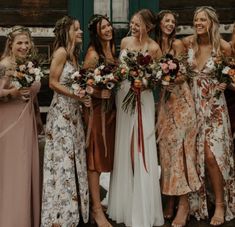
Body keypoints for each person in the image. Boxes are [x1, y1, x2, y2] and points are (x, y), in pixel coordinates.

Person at [107, 9, 164, 227]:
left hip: (144, 98)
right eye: (132, 23)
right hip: (124, 97)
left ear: (148, 27)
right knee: (124, 147)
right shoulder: (124, 42)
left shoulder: (155, 48)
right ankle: (125, 202)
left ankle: (143, 205)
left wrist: (146, 83)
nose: (133, 27)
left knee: (140, 148)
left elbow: (158, 78)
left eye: (137, 24)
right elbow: (120, 71)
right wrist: (123, 76)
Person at [183, 6, 235, 226]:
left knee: (213, 156)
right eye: (196, 20)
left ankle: (221, 205)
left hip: (214, 106)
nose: (198, 23)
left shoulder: (223, 47)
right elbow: (179, 72)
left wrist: (228, 82)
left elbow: (232, 75)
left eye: (202, 19)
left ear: (212, 22)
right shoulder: (189, 44)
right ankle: (199, 202)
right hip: (193, 106)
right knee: (197, 156)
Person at [41, 16, 91, 227]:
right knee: (61, 162)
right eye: (76, 29)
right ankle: (59, 217)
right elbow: (52, 83)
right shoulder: (61, 52)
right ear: (67, 32)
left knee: (74, 161)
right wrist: (76, 95)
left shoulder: (73, 56)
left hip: (74, 115)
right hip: (61, 115)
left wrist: (82, 97)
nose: (80, 32)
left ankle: (73, 212)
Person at [155, 10, 201, 227]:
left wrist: (169, 77)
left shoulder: (179, 45)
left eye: (173, 21)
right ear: (159, 23)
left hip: (181, 102)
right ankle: (170, 199)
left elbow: (185, 74)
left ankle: (184, 205)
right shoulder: (155, 46)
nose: (171, 24)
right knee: (166, 152)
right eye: (167, 20)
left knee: (181, 152)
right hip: (165, 103)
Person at [0, 25, 41, 227]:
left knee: (25, 170)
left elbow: (32, 95)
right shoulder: (5, 64)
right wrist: (12, 93)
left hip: (28, 121)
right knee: (14, 170)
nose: (24, 46)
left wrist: (39, 119)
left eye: (26, 42)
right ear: (11, 44)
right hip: (10, 124)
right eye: (19, 43)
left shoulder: (28, 64)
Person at [83, 14, 116, 227]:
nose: (108, 29)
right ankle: (96, 210)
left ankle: (102, 202)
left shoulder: (112, 51)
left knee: (107, 156)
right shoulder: (93, 54)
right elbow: (84, 85)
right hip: (96, 112)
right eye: (103, 27)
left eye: (109, 25)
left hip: (111, 112)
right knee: (94, 160)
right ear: (96, 32)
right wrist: (97, 93)